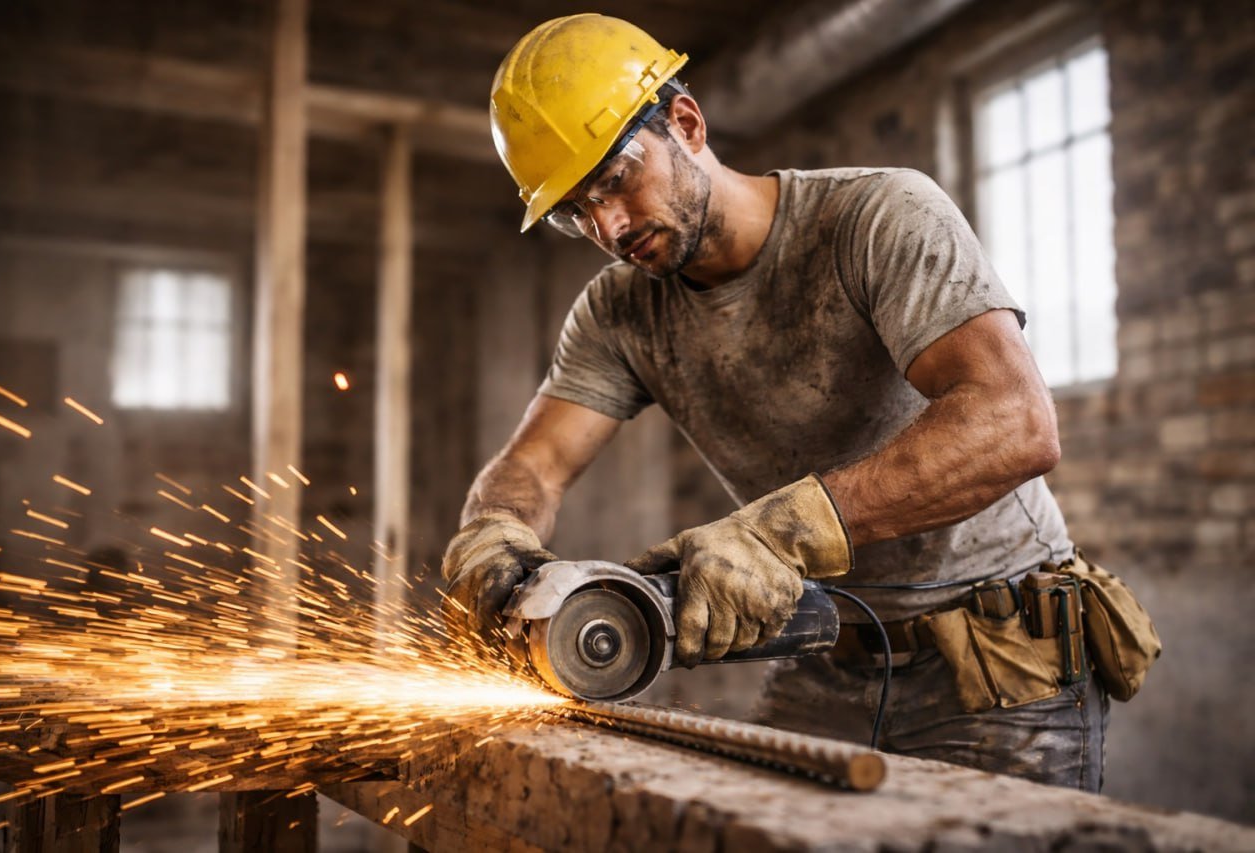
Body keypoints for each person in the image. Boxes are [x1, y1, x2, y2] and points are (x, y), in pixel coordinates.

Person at [442, 13, 1110, 790]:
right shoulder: (619, 311)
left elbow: (1014, 422)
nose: (609, 225)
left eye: (617, 178)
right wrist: (494, 531)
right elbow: (537, 462)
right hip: (828, 655)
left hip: (997, 658)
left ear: (686, 123)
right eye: (575, 212)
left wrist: (780, 533)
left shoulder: (876, 217)